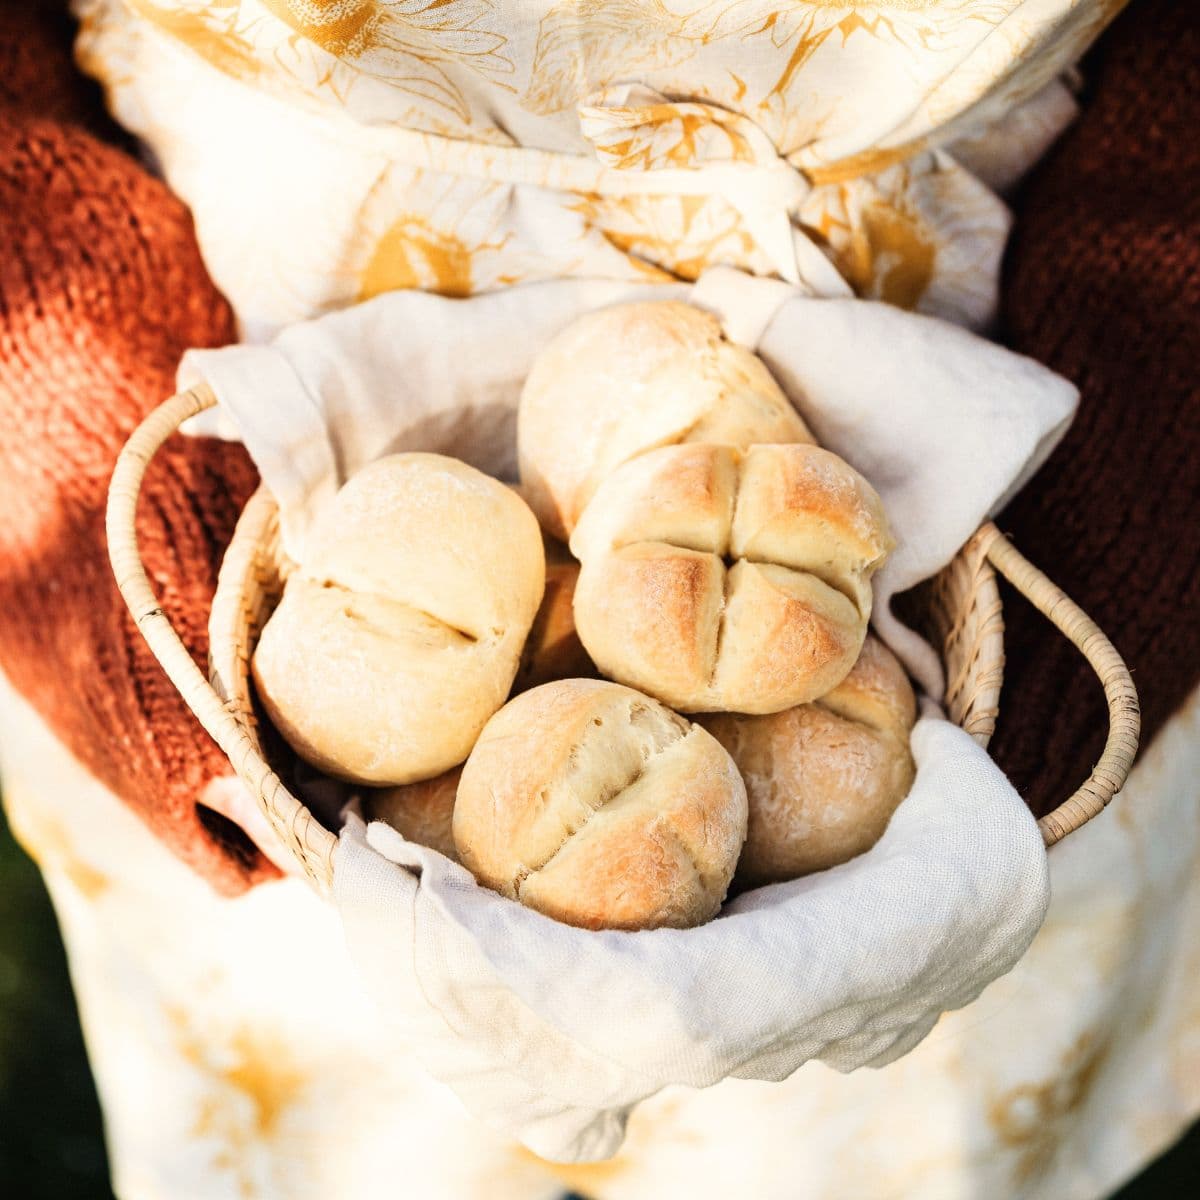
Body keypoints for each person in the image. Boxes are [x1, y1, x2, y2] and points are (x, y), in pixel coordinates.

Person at [0, 1, 1196, 1196]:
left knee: (874, 1132)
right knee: (355, 1119)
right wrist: (63, 416)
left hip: (1022, 395)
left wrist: (1144, 424)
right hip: (222, 382)